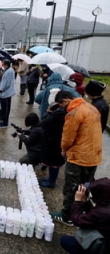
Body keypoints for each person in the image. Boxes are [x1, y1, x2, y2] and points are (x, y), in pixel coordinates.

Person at [51, 90, 102, 226]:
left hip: (78, 156)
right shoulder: (91, 107)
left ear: (66, 101)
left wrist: (64, 149)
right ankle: (83, 211)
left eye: (62, 106)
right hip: (93, 156)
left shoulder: (73, 113)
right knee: (85, 186)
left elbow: (67, 138)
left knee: (72, 187)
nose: (63, 109)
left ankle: (67, 216)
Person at [60, 178, 110, 253]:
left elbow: (77, 220)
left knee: (65, 240)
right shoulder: (106, 204)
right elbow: (94, 216)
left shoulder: (102, 212)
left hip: (103, 247)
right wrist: (86, 202)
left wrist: (77, 201)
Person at [39, 102, 66, 188]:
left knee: (54, 163)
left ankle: (51, 182)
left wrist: (48, 112)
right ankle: (50, 179)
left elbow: (44, 122)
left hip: (55, 143)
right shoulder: (62, 113)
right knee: (53, 163)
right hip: (56, 142)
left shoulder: (57, 115)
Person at [0, 59, 16, 128]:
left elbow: (6, 83)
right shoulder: (9, 70)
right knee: (4, 108)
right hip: (6, 93)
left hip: (6, 93)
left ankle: (5, 123)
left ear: (6, 65)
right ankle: (4, 121)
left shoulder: (8, 72)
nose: (2, 66)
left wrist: (0, 90)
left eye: (3, 64)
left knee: (5, 109)